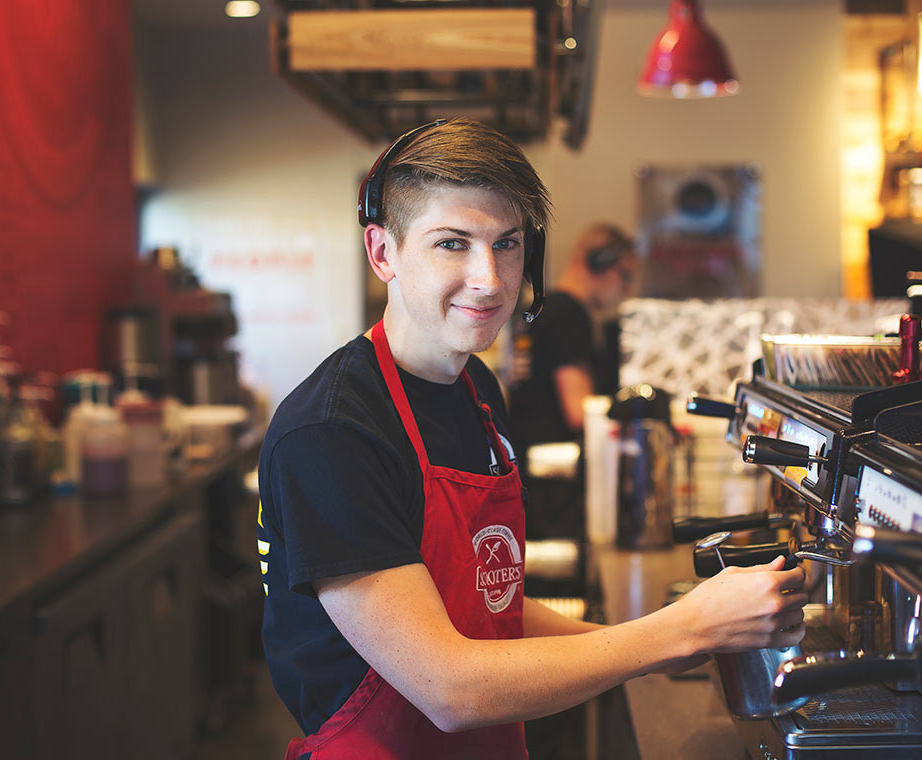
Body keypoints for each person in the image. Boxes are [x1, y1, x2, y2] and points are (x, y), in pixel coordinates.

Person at [257, 118, 807, 760]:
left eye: (508, 243)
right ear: (383, 253)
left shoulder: (478, 392)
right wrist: (679, 631)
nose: (490, 278)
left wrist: (653, 648)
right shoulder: (334, 432)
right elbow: (449, 688)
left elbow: (496, 612)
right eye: (452, 244)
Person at [508, 224, 638, 539]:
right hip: (554, 476)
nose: (625, 290)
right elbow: (579, 410)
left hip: (526, 464)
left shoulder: (541, 308)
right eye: (625, 277)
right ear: (599, 263)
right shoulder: (569, 314)